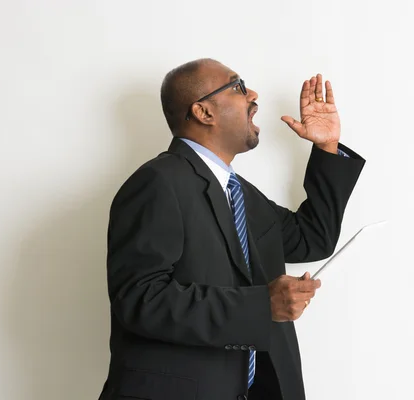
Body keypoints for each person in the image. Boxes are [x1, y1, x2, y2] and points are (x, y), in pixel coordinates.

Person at [98, 58, 365, 400]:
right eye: (238, 86)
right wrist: (260, 305)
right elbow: (140, 298)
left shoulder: (241, 195)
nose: (253, 94)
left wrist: (327, 146)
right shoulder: (157, 183)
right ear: (203, 112)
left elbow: (312, 238)